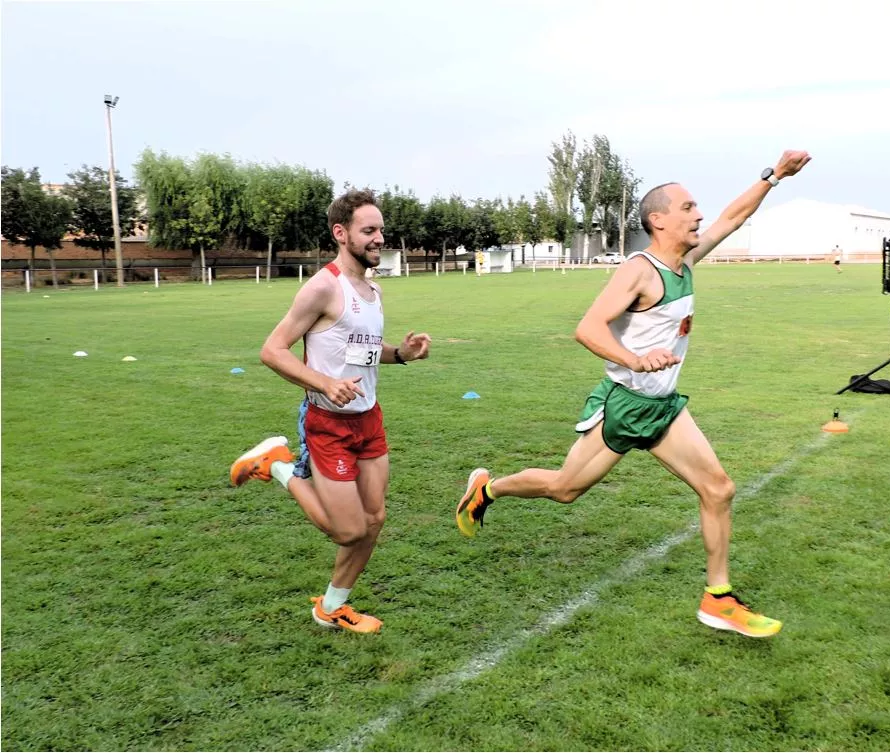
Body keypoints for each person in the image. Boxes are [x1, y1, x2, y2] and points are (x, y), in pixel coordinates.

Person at [455, 150, 812, 638]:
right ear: (658, 219)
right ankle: (486, 489)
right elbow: (587, 328)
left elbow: (732, 217)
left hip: (663, 406)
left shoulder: (685, 258)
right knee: (565, 489)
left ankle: (719, 599)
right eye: (687, 208)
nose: (699, 214)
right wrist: (635, 359)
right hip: (626, 404)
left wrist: (773, 176)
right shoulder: (638, 271)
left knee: (718, 489)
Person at [230, 188, 431, 634]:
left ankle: (331, 608)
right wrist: (324, 383)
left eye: (381, 229)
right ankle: (279, 466)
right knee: (349, 532)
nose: (380, 238)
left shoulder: (373, 289)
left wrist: (402, 354)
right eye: (369, 230)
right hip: (328, 424)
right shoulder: (322, 287)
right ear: (341, 234)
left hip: (368, 418)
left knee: (374, 520)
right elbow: (272, 350)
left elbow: (363, 349)